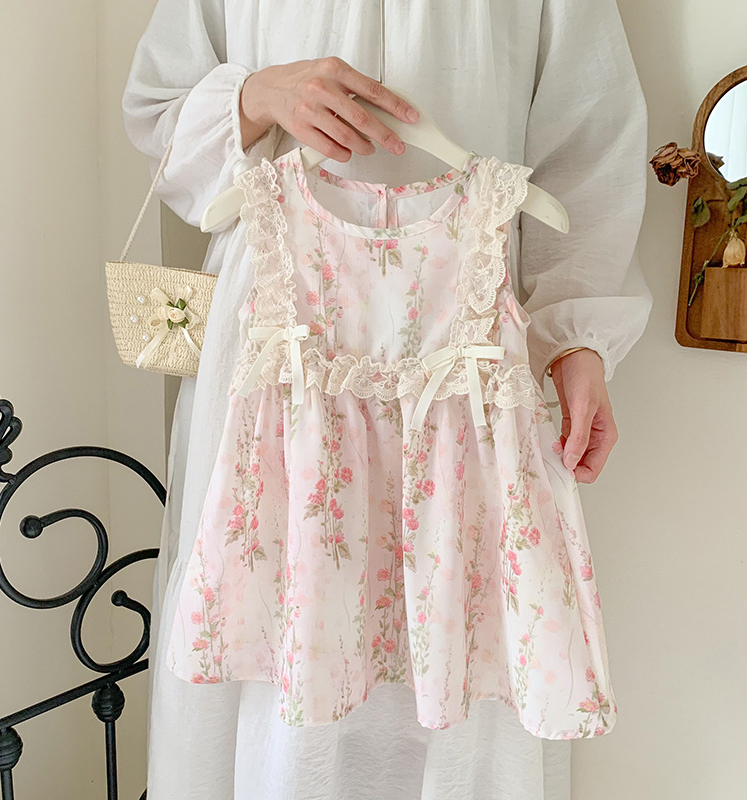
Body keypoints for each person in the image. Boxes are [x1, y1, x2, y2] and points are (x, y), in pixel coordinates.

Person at [121, 1, 651, 797]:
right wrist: (257, 94)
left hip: (466, 339)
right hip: (280, 341)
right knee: (280, 628)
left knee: (460, 631)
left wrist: (576, 339)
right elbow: (157, 114)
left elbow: (589, 139)